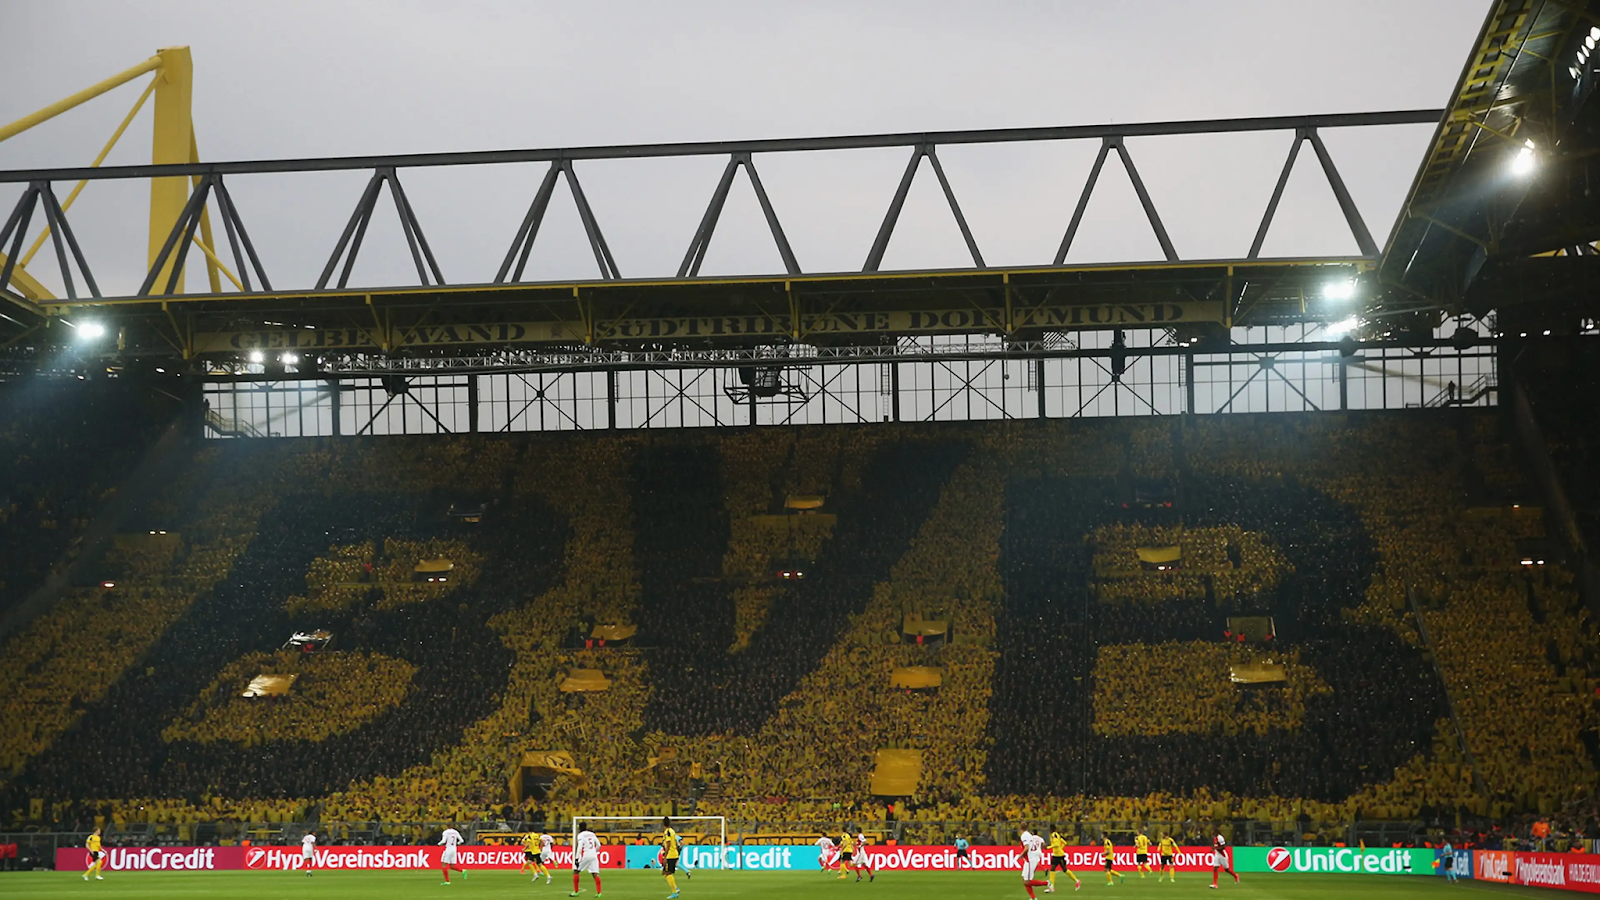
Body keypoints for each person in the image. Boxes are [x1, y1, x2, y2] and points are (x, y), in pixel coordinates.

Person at [571, 825, 602, 897]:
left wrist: (576, 858)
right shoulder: (592, 834)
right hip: (594, 855)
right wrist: (595, 851)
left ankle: (576, 892)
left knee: (576, 871)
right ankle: (599, 893)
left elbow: (580, 846)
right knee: (595, 874)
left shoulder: (580, 835)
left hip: (586, 855)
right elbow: (599, 845)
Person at [1020, 829, 1049, 899]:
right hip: (1039, 853)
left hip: (1032, 855)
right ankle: (1033, 898)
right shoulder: (1040, 838)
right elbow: (1044, 846)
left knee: (1027, 881)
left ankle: (1047, 883)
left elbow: (1027, 847)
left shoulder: (1030, 838)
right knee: (1025, 879)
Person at [661, 817, 682, 899]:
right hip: (674, 854)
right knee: (665, 873)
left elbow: (669, 844)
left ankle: (675, 892)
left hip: (670, 855)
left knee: (667, 873)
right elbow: (676, 843)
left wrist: (665, 856)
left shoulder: (667, 832)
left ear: (663, 824)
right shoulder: (672, 831)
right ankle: (675, 888)